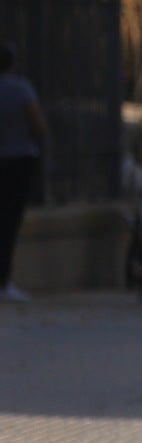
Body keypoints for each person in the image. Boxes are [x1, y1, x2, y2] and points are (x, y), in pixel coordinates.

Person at [0, 43, 49, 303]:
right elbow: (38, 124)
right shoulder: (21, 89)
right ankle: (4, 280)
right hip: (19, 160)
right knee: (9, 221)